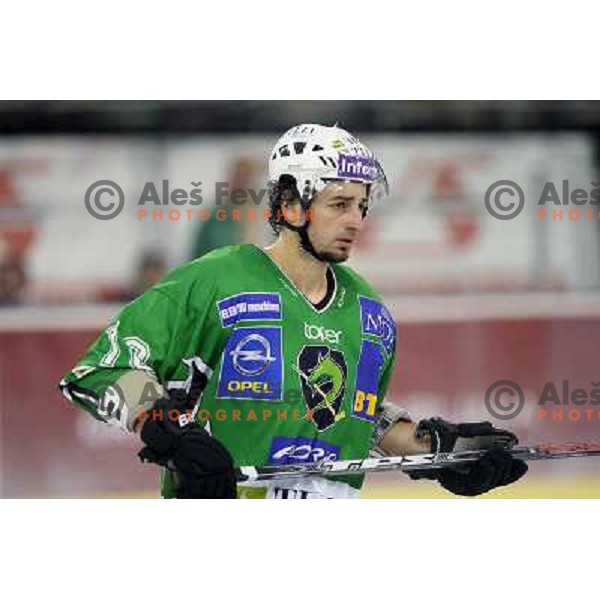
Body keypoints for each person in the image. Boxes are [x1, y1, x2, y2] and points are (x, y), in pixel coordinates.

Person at [59, 124, 527, 499]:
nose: (355, 221)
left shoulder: (371, 313)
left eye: (362, 206)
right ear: (290, 204)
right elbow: (104, 368)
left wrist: (442, 455)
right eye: (339, 204)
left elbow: (357, 418)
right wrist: (168, 431)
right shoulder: (216, 280)